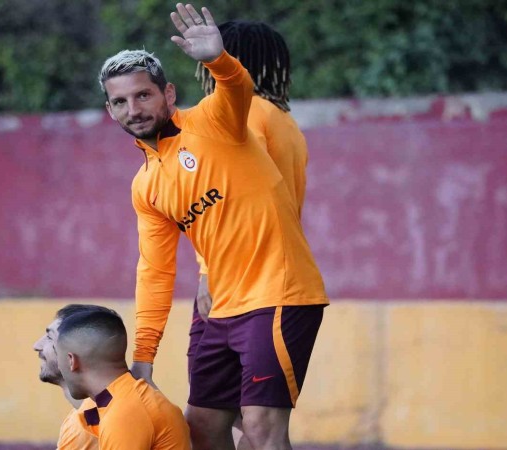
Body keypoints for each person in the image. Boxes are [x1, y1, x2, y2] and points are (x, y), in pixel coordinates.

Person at [97, 4, 328, 450]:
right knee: (201, 429)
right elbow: (155, 270)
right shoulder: (146, 185)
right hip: (220, 307)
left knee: (261, 430)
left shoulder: (215, 119)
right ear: (110, 111)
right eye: (121, 102)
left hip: (276, 294)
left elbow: (238, 89)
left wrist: (218, 60)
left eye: (143, 95)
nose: (134, 109)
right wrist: (144, 355)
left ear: (168, 93)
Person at [189, 21, 309, 450]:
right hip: (240, 284)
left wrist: (206, 271)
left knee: (255, 429)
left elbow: (226, 195)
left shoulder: (247, 114)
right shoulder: (285, 121)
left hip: (257, 285)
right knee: (208, 421)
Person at [55, 308, 191, 450]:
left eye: (58, 357)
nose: (59, 367)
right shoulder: (119, 400)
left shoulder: (124, 413)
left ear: (71, 360)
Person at [33, 304, 115, 450]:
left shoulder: (105, 421)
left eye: (50, 338)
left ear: (75, 354)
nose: (37, 346)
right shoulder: (79, 420)